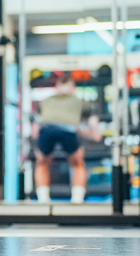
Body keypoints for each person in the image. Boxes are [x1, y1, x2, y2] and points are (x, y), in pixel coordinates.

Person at [32, 72, 101, 204]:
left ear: (57, 88)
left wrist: (37, 141)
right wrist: (95, 134)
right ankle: (77, 199)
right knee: (77, 162)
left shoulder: (46, 101)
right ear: (73, 88)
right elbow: (92, 122)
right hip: (68, 130)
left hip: (47, 129)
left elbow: (35, 127)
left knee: (42, 162)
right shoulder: (80, 101)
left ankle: (43, 199)